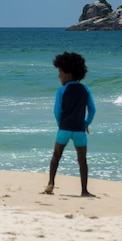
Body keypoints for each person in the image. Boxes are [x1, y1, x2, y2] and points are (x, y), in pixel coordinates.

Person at [44, 52, 96, 197]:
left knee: (56, 156)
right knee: (82, 160)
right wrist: (86, 123)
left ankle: (51, 183)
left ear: (68, 73)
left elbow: (57, 111)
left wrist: (61, 124)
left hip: (64, 129)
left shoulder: (61, 90)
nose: (59, 76)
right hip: (79, 130)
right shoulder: (86, 90)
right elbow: (92, 110)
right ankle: (84, 190)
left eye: (60, 72)